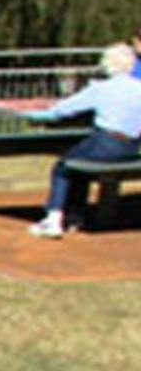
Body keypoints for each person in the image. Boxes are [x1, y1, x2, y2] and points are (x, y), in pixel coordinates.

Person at [25, 43, 141, 237]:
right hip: (132, 148)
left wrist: (33, 114)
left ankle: (53, 219)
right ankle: (75, 215)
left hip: (105, 143)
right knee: (79, 168)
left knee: (63, 167)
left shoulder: (101, 89)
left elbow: (60, 111)